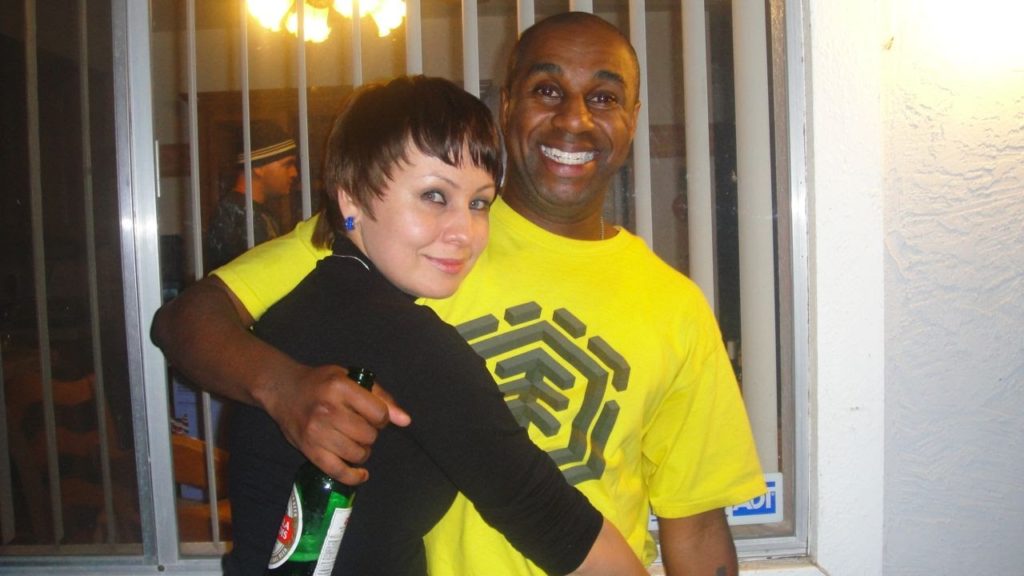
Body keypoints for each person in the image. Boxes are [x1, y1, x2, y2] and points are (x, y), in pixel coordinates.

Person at [152, 12, 765, 575]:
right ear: (508, 104)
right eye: (547, 90)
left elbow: (697, 525)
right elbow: (185, 323)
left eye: (603, 97)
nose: (574, 119)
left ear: (632, 117)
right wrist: (283, 386)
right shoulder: (394, 237)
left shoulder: (673, 305)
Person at [226, 75, 644, 576]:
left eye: (479, 203)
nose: (465, 232)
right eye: (434, 196)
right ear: (352, 200)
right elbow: (556, 526)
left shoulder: (305, 307)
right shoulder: (405, 342)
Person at [205, 120, 298, 271]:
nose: (294, 173)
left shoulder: (254, 212)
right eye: (287, 165)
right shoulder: (236, 216)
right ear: (258, 167)